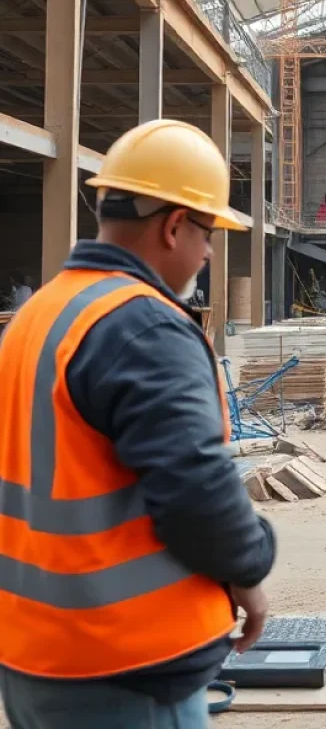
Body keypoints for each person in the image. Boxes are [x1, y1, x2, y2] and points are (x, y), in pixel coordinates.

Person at [0, 120, 276, 729]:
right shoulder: (143, 326)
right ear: (174, 224)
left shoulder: (35, 317)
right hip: (126, 664)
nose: (208, 253)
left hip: (33, 655)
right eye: (208, 233)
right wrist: (250, 566)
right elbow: (195, 485)